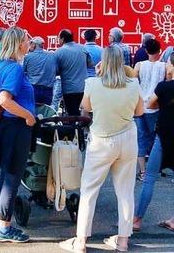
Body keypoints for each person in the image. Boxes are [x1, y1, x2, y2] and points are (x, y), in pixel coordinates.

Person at [59, 45, 143, 253]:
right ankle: (122, 241)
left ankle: (80, 242)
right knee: (125, 192)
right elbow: (140, 111)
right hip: (127, 139)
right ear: (123, 62)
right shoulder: (133, 84)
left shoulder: (92, 83)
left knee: (89, 191)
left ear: (103, 62)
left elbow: (86, 108)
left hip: (101, 141)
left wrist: (98, 75)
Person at [0, 26, 35, 243]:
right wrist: (28, 116)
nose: (29, 43)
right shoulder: (14, 69)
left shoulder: (1, 66)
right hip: (16, 127)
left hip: (5, 127)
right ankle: (5, 228)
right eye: (26, 40)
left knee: (5, 175)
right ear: (18, 44)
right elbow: (5, 100)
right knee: (13, 177)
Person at [133, 53, 174, 232]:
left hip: (164, 136)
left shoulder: (164, 87)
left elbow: (150, 104)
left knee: (149, 178)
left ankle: (136, 220)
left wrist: (164, 106)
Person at [133, 39, 167, 180]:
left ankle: (143, 172)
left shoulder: (139, 65)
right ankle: (155, 170)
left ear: (146, 51)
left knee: (141, 139)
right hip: (156, 106)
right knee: (156, 139)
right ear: (159, 51)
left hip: (140, 106)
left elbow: (132, 83)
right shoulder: (166, 66)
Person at [55, 29, 90, 116]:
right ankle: (80, 128)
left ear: (62, 39)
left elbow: (55, 71)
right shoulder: (83, 48)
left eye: (59, 38)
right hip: (83, 87)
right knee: (81, 112)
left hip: (69, 89)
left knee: (72, 114)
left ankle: (75, 129)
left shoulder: (59, 52)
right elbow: (90, 63)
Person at [23, 37, 57, 106]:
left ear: (34, 45)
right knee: (46, 112)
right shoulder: (52, 56)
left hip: (33, 88)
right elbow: (56, 70)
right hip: (48, 89)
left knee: (33, 111)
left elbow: (23, 72)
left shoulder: (28, 57)